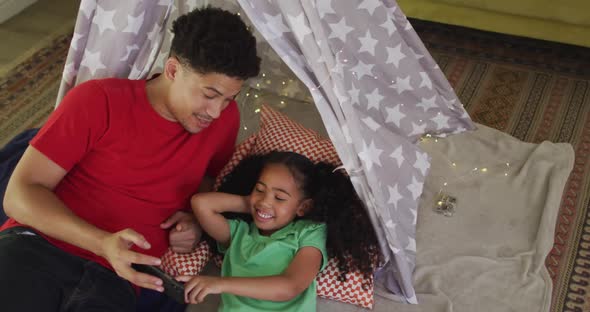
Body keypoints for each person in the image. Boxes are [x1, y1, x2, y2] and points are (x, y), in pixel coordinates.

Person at [0, 6, 259, 312]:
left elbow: (209, 178)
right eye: (210, 94)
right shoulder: (99, 100)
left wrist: (196, 220)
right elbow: (18, 196)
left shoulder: (224, 119)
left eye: (229, 98)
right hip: (37, 247)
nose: (216, 112)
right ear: (173, 70)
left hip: (116, 280)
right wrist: (102, 243)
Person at [182, 151, 380, 311]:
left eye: (279, 198)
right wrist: (252, 204)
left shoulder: (309, 233)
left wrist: (220, 284)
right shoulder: (238, 233)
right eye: (260, 189)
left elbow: (290, 286)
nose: (266, 200)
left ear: (303, 207)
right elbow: (201, 203)